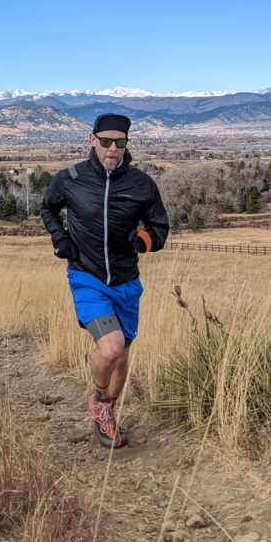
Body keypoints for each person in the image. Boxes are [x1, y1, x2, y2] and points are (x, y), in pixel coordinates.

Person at [40, 113, 169, 447]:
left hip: (127, 282)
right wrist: (60, 239)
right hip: (87, 276)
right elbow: (47, 209)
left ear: (127, 143)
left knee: (122, 356)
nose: (113, 149)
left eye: (121, 142)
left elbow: (160, 228)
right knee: (110, 348)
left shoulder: (142, 184)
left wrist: (143, 240)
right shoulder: (70, 178)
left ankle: (108, 412)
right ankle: (98, 399)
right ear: (92, 139)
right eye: (107, 141)